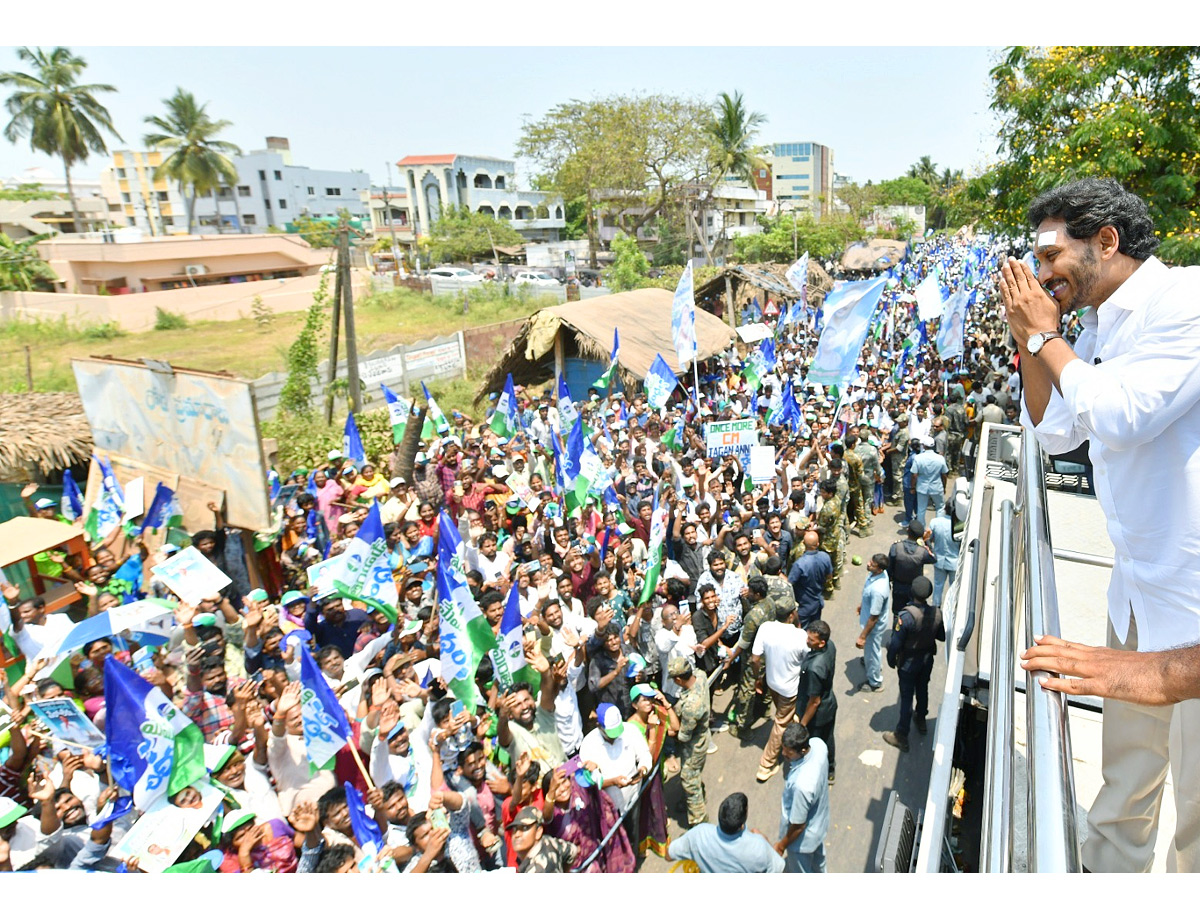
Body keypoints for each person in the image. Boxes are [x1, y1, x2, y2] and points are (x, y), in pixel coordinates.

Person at [1003, 177, 1200, 873]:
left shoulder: (1186, 303)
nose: (1042, 272)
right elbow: (1056, 432)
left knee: (1196, 818)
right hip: (1135, 593)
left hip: (1193, 605)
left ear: (1107, 241)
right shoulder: (1092, 327)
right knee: (1125, 785)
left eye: (1051, 256)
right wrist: (1030, 341)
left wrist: (1047, 336)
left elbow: (1120, 414)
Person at [882, 576, 945, 753]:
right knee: (923, 688)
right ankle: (921, 718)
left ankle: (901, 735)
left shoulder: (906, 616)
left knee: (906, 697)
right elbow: (941, 636)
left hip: (908, 662)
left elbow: (895, 643)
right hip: (926, 660)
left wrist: (890, 658)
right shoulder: (937, 613)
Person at [752, 601, 808, 782]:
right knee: (780, 724)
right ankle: (766, 764)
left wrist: (757, 678)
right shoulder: (800, 635)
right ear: (791, 615)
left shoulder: (766, 628)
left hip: (771, 682)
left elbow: (755, 658)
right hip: (789, 688)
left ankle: (792, 724)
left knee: (784, 716)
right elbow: (808, 658)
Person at [667, 791, 784, 873]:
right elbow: (778, 868)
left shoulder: (699, 834)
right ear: (743, 820)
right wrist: (763, 839)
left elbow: (669, 855)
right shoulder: (758, 847)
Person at [775, 722, 830, 873]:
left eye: (789, 752)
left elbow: (798, 826)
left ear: (803, 750)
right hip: (819, 825)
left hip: (802, 842)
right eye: (783, 749)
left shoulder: (802, 786)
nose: (784, 754)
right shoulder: (818, 745)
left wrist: (781, 845)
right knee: (819, 865)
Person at [670, 657, 711, 827]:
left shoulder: (691, 706)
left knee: (688, 778)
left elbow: (683, 736)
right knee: (695, 775)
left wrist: (671, 730)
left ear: (678, 680)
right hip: (703, 737)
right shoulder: (700, 676)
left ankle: (699, 821)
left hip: (694, 746)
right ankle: (697, 796)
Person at [794, 619, 837, 785]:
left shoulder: (814, 669)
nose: (807, 641)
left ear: (821, 642)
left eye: (811, 640)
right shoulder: (830, 646)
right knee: (828, 738)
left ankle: (818, 774)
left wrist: (803, 724)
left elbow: (814, 702)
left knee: (815, 745)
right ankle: (830, 768)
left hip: (817, 715)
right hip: (830, 704)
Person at [856, 554, 892, 692]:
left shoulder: (878, 590)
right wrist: (863, 605)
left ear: (880, 569)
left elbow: (874, 618)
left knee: (873, 652)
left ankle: (875, 682)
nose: (868, 563)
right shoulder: (877, 575)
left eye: (873, 564)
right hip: (870, 616)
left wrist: (862, 637)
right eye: (870, 560)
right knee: (871, 651)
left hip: (873, 627)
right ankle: (869, 662)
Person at [887, 520, 936, 617]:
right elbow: (934, 558)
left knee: (897, 614)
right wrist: (927, 541)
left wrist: (888, 583)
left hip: (898, 587)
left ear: (908, 531)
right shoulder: (922, 552)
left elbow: (889, 569)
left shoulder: (896, 547)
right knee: (914, 615)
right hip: (914, 590)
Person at [928, 498, 960, 607]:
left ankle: (936, 608)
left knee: (938, 586)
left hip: (939, 560)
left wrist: (932, 550)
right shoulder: (960, 526)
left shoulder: (935, 522)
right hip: (955, 562)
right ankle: (951, 609)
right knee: (954, 588)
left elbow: (928, 539)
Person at [909, 440, 949, 525]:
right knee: (940, 507)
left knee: (921, 509)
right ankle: (938, 528)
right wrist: (944, 487)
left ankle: (921, 530)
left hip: (922, 487)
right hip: (937, 487)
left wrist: (912, 487)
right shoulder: (940, 458)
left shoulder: (918, 458)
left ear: (923, 446)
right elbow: (944, 475)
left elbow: (914, 475)